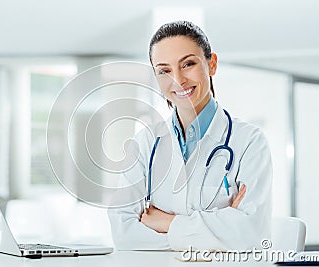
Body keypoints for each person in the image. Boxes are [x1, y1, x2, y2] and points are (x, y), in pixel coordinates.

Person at [108, 21, 272, 251]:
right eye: (164, 70)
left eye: (188, 64)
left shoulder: (250, 142)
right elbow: (123, 234)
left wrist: (167, 223)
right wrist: (218, 233)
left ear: (211, 64)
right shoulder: (144, 144)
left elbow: (252, 234)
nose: (178, 79)